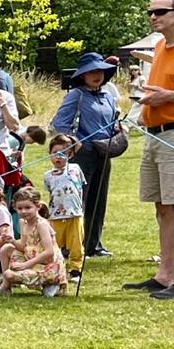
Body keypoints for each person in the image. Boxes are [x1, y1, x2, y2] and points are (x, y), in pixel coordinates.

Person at [50, 52, 119, 261]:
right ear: (83, 75)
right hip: (84, 153)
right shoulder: (76, 95)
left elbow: (111, 121)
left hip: (105, 150)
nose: (96, 75)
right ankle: (69, 245)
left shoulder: (108, 96)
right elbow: (59, 122)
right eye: (91, 72)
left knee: (99, 199)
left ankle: (93, 245)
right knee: (76, 200)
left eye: (99, 71)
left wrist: (118, 128)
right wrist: (74, 141)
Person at [130, 0, 174, 298]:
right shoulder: (159, 46)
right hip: (153, 134)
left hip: (173, 135)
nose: (153, 16)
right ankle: (165, 274)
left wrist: (167, 97)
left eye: (160, 11)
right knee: (162, 207)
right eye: (150, 11)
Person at [0, 186, 64, 297]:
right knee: (6, 248)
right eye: (20, 208)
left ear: (37, 206)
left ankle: (52, 283)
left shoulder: (41, 224)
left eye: (28, 207)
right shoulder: (23, 223)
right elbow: (22, 246)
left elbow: (49, 252)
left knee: (9, 274)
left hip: (46, 265)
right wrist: (12, 240)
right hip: (32, 259)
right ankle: (5, 287)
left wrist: (25, 265)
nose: (23, 211)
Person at [43, 135, 86, 280]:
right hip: (56, 215)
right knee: (54, 243)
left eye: (63, 153)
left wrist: (69, 139)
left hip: (75, 214)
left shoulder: (75, 168)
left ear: (70, 154)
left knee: (76, 244)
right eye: (55, 153)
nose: (58, 157)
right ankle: (55, 268)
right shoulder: (48, 175)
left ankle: (75, 270)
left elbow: (78, 145)